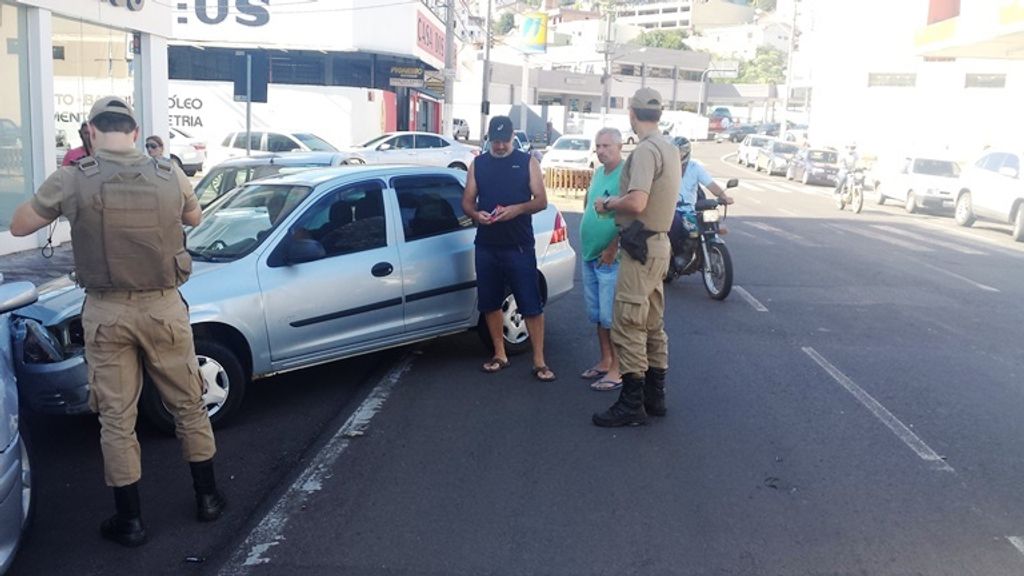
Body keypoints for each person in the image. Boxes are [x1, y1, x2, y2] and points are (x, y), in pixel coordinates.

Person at [9, 96, 225, 547]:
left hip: (106, 312)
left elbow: (19, 226)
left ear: (90, 131)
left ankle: (131, 521)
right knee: (188, 403)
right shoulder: (169, 173)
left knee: (116, 417)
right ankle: (207, 498)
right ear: (134, 131)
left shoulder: (72, 178)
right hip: (164, 307)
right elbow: (194, 216)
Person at [593, 88, 681, 427]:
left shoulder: (645, 151)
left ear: (631, 114)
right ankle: (654, 397)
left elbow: (637, 202)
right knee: (652, 323)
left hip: (640, 247)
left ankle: (631, 404)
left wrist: (608, 203)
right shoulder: (669, 147)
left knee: (628, 322)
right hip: (658, 244)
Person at [461, 115, 556, 382]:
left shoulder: (527, 162)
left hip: (519, 246)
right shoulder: (478, 164)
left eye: (505, 140)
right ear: (489, 138)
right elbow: (467, 202)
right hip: (487, 245)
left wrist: (518, 209)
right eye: (496, 141)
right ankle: (499, 354)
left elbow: (541, 201)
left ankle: (539, 361)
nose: (501, 146)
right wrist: (476, 215)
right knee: (489, 302)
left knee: (530, 303)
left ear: (513, 136)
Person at [578, 128, 625, 391]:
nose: (601, 150)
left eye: (607, 145)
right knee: (597, 314)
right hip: (590, 254)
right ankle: (606, 360)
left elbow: (632, 214)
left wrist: (612, 246)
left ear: (620, 146)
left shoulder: (626, 174)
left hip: (610, 257)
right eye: (598, 146)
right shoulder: (598, 173)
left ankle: (618, 370)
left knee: (611, 317)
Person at [668, 137, 734, 269]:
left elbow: (710, 184)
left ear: (686, 153)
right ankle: (674, 256)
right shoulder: (666, 168)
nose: (678, 155)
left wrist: (724, 196)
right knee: (674, 225)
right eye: (675, 152)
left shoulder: (695, 168)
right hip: (672, 210)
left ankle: (701, 250)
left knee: (709, 225)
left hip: (691, 210)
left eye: (680, 152)